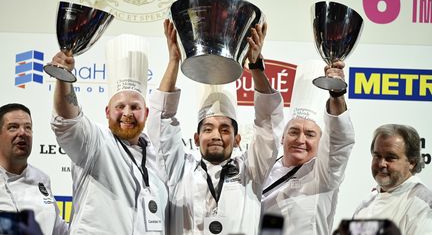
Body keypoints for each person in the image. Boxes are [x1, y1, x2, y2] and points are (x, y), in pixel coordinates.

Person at [146, 19, 284, 234]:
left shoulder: (251, 170)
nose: (216, 135)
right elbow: (160, 119)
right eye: (207, 128)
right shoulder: (181, 171)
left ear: (238, 140)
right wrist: (174, 61)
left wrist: (256, 67)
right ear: (196, 137)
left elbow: (268, 123)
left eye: (225, 129)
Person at [49, 34, 168, 234]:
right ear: (107, 111)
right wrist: (63, 78)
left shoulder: (157, 157)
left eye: (135, 107)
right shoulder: (95, 142)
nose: (127, 113)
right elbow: (68, 120)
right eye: (120, 106)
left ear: (146, 113)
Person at [261, 60, 356, 235]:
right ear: (282, 137)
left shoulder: (324, 174)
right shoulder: (264, 170)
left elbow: (339, 141)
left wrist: (337, 94)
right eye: (294, 131)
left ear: (322, 142)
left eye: (310, 134)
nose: (300, 139)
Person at [0, 103, 68, 235]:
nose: (22, 133)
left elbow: (59, 230)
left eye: (28, 127)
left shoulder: (42, 179)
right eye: (13, 127)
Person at [353, 124, 432, 234]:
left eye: (390, 158)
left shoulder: (422, 205)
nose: (381, 164)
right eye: (377, 156)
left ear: (412, 162)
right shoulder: (367, 202)